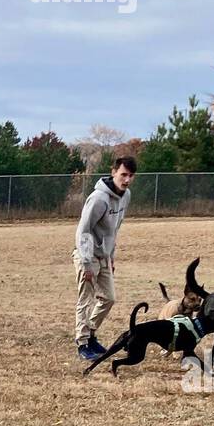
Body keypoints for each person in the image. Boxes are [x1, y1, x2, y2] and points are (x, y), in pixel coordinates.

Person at [73, 155, 135, 362]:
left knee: (109, 298)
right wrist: (86, 261)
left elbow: (114, 230)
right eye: (123, 174)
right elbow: (83, 230)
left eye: (130, 176)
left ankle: (89, 333)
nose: (126, 180)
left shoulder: (126, 196)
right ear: (114, 172)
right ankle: (82, 344)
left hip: (104, 257)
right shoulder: (98, 199)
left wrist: (112, 256)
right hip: (87, 256)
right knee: (86, 299)